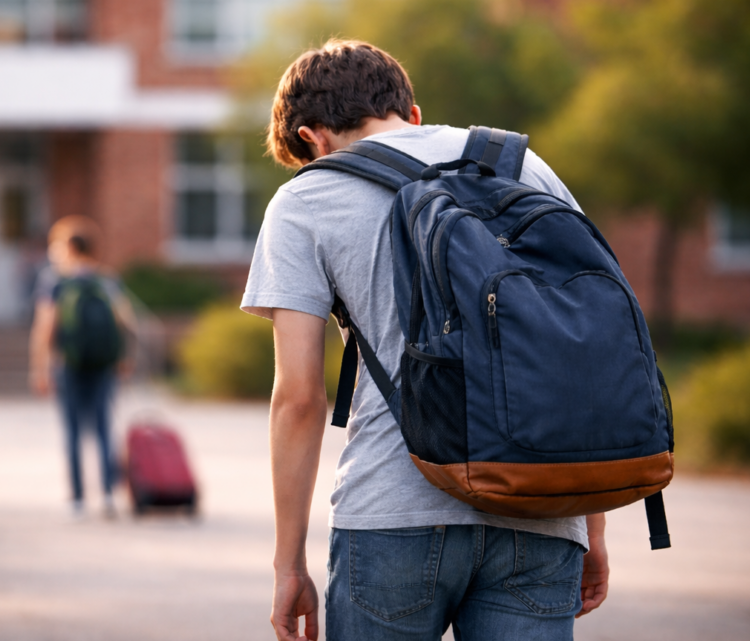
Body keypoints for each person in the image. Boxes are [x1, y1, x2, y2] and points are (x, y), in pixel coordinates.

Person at [241, 40, 609, 641]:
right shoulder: (523, 165)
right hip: (541, 510)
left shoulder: (305, 199)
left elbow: (300, 399)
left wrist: (288, 565)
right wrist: (590, 528)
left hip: (393, 512)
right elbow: (579, 350)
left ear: (311, 137)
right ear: (411, 113)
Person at [29, 216, 135, 519]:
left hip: (69, 363)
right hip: (104, 363)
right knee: (103, 428)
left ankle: (77, 498)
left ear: (68, 247)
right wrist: (123, 358)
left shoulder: (55, 282)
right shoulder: (107, 280)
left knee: (73, 430)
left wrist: (39, 368)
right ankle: (107, 494)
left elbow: (44, 328)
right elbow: (124, 321)